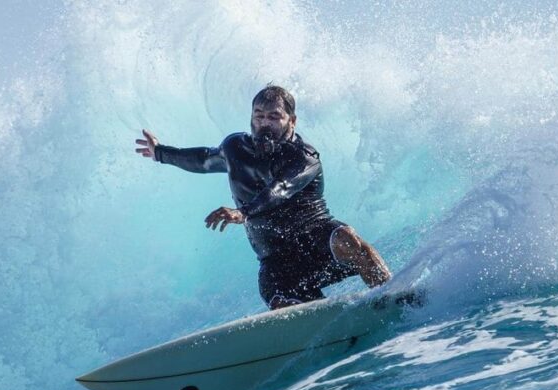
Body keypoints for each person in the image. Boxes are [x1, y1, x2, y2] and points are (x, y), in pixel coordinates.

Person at [135, 85, 392, 309]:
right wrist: (160, 153)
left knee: (347, 239)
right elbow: (203, 160)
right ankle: (323, 324)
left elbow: (280, 189)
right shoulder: (235, 148)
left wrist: (243, 213)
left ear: (292, 121)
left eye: (274, 117)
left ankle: (392, 295)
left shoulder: (304, 157)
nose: (264, 124)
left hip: (318, 242)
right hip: (277, 259)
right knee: (279, 299)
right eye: (258, 116)